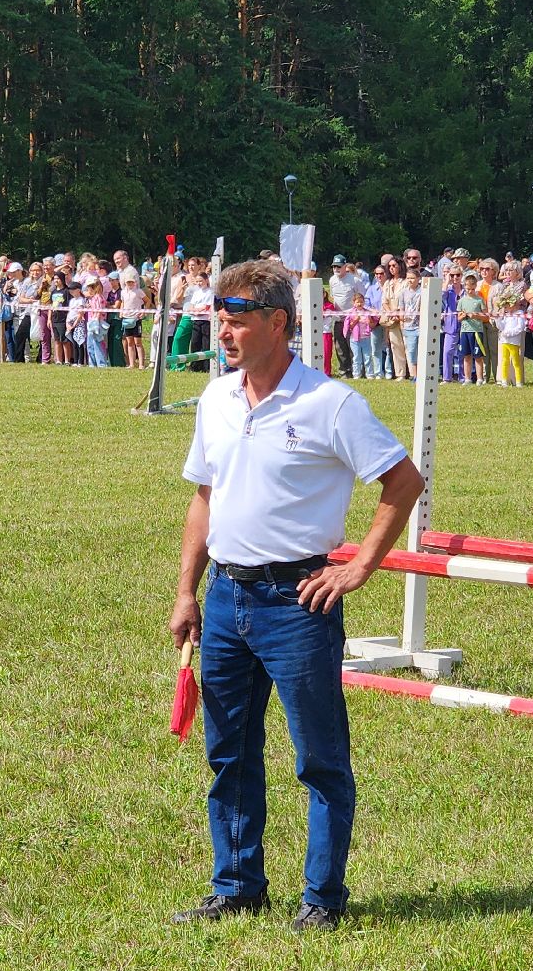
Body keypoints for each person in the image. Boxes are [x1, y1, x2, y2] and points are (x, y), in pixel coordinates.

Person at [169, 258, 423, 934]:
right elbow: (204, 498)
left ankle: (323, 899)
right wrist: (187, 592)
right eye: (219, 316)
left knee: (319, 760)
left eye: (237, 317)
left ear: (278, 323)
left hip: (298, 604)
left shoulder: (331, 403)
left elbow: (402, 482)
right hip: (225, 599)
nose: (222, 329)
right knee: (228, 755)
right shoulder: (216, 399)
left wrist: (359, 565)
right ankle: (238, 886)